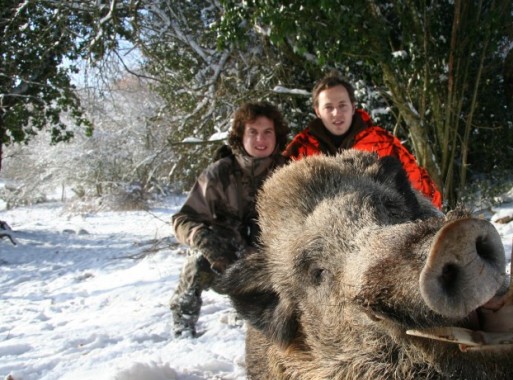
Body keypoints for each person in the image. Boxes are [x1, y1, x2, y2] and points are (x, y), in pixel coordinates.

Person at [169, 101, 289, 338]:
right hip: (226, 259)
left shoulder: (288, 172)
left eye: (267, 132)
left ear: (278, 136)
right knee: (198, 261)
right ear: (240, 136)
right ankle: (183, 321)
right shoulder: (218, 174)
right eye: (252, 132)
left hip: (270, 261)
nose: (260, 139)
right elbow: (182, 219)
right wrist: (202, 238)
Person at [284, 72, 443, 209]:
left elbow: (423, 189)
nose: (336, 113)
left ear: (353, 107)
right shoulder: (300, 151)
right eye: (328, 107)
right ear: (317, 111)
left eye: (342, 105)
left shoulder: (382, 143)